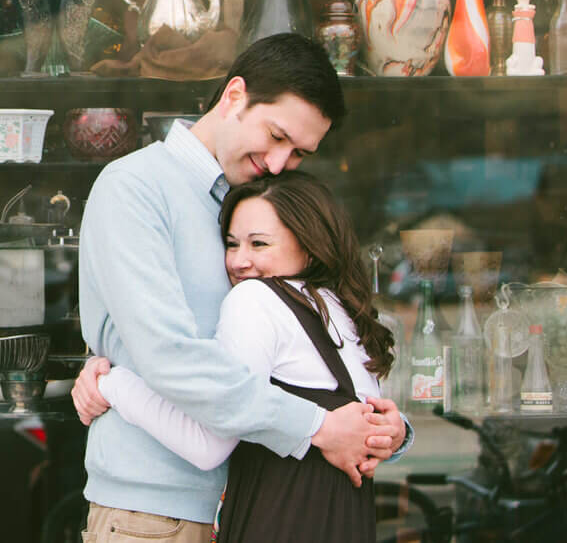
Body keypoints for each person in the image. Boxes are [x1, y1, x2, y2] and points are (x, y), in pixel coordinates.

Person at [73, 33, 407, 543]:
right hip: (157, 514)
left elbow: (316, 335)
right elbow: (169, 354)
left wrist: (380, 428)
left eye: (298, 153)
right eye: (276, 136)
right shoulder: (135, 188)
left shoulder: (259, 204)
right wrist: (317, 428)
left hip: (254, 509)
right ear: (233, 97)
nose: (278, 163)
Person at [96, 171, 395, 542]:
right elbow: (378, 431)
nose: (239, 261)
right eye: (232, 244)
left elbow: (207, 444)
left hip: (281, 519)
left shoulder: (255, 300)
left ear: (310, 244)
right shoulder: (342, 309)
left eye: (259, 244)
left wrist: (112, 384)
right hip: (346, 519)